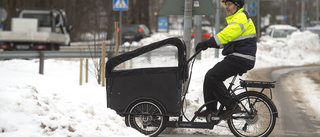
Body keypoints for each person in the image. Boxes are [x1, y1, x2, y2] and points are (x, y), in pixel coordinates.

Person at [195, 0, 257, 119]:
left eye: (229, 4)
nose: (226, 7)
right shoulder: (237, 18)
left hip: (241, 58)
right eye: (225, 5)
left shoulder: (241, 17)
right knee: (210, 76)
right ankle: (211, 110)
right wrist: (210, 45)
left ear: (237, 5)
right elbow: (229, 40)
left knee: (212, 76)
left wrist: (208, 43)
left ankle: (232, 106)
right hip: (238, 56)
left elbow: (227, 35)